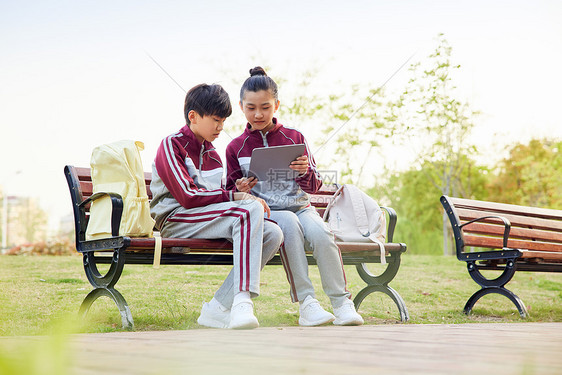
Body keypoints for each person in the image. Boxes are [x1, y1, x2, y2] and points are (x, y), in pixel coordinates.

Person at [225, 67, 364, 326]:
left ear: (276, 104)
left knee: (322, 233)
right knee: (288, 225)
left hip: (302, 207)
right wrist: (241, 188)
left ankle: (342, 303)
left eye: (265, 107)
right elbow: (230, 191)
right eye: (251, 107)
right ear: (241, 106)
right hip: (269, 213)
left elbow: (314, 185)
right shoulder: (235, 147)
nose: (258, 114)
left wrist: (304, 171)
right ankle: (307, 303)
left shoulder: (294, 137)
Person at [150, 83, 283, 330]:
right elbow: (188, 197)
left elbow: (215, 196)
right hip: (176, 220)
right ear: (193, 116)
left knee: (272, 233)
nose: (221, 127)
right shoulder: (171, 145)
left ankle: (218, 308)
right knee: (249, 209)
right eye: (215, 120)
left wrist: (238, 193)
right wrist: (237, 198)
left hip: (204, 220)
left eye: (223, 121)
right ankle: (242, 301)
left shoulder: (213, 154)